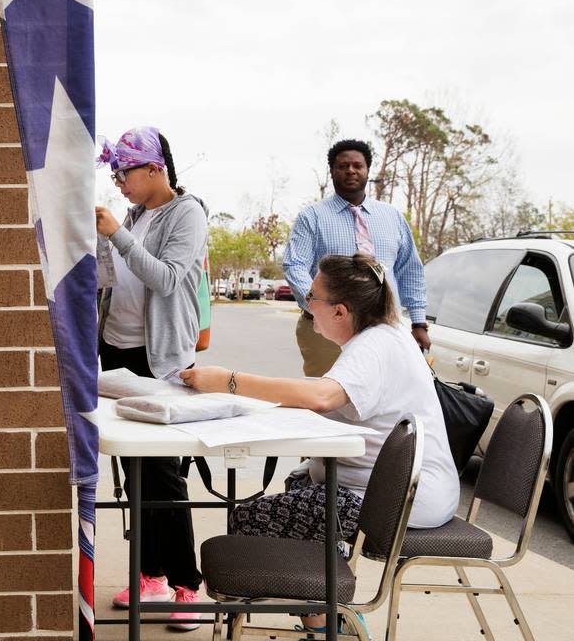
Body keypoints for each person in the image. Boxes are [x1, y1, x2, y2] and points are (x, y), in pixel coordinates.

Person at [181, 253, 459, 634]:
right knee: (300, 482)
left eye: (313, 297)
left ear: (341, 311)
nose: (307, 305)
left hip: (396, 500)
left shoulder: (374, 347)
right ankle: (325, 614)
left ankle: (330, 618)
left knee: (248, 517)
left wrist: (228, 381)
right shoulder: (383, 336)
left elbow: (322, 398)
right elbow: (321, 399)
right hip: (397, 490)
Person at [95, 126, 208, 631]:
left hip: (158, 358)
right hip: (115, 349)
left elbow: (165, 277)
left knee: (163, 473)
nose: (119, 182)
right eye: (115, 173)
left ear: (155, 169)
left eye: (125, 172)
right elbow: (113, 279)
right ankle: (150, 575)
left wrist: (115, 234)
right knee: (134, 472)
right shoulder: (138, 215)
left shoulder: (187, 213)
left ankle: (188, 586)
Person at [283, 139, 430, 377]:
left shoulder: (392, 217)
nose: (351, 170)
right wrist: (319, 305)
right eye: (343, 166)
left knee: (383, 399)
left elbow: (410, 270)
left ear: (367, 171)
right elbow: (294, 264)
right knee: (329, 403)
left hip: (386, 326)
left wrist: (419, 323)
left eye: (357, 165)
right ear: (332, 171)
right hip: (329, 329)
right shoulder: (312, 217)